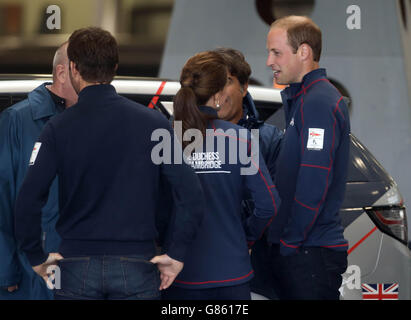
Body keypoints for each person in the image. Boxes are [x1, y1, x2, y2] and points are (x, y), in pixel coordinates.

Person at [14, 27, 205, 300]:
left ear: (73, 68)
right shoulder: (154, 124)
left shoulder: (57, 128)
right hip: (138, 265)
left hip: (75, 267)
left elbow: (28, 199)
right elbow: (191, 194)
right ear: (114, 67)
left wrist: (36, 255)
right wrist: (177, 254)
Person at [162, 51, 281, 300]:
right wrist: (244, 237)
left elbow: (151, 205)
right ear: (216, 96)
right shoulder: (239, 138)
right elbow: (269, 205)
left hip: (177, 274)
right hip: (231, 273)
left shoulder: (164, 139)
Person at [265, 16, 350, 300]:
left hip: (309, 252)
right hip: (303, 249)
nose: (269, 61)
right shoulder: (303, 99)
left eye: (276, 52)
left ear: (304, 52)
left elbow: (314, 181)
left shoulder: (317, 102)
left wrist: (291, 241)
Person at [0, 42, 77, 299]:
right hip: (28, 273)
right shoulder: (17, 121)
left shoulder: (91, 121)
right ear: (62, 73)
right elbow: (1, 196)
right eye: (83, 71)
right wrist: (5, 269)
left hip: (81, 274)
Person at [211, 47, 284, 299]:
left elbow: (273, 206)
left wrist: (246, 238)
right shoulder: (183, 138)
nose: (217, 91)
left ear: (243, 88)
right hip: (195, 273)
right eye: (212, 82)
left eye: (227, 82)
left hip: (254, 277)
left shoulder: (268, 140)